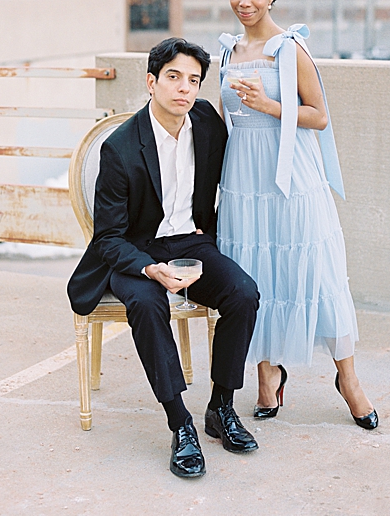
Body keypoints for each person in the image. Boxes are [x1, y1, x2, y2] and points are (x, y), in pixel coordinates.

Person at [68, 38, 261, 479]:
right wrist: (149, 268)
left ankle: (220, 407)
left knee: (243, 294)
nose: (184, 89)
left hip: (190, 245)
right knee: (148, 303)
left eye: (193, 80)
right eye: (174, 77)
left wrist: (205, 232)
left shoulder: (207, 123)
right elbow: (108, 238)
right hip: (136, 251)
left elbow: (230, 176)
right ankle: (181, 425)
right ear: (152, 81)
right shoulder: (119, 148)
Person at [218, 0, 378, 429]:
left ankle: (348, 381)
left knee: (319, 275)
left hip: (292, 181)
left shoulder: (290, 48)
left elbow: (319, 116)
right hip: (243, 184)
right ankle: (268, 377)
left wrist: (268, 104)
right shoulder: (226, 52)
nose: (244, 2)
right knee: (254, 278)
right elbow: (223, 121)